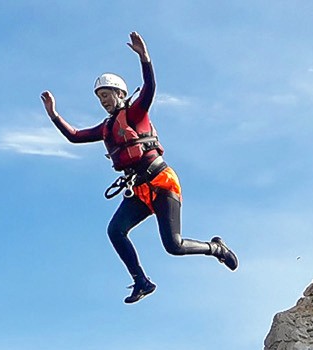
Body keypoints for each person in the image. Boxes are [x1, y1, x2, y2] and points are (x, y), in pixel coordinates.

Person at [41, 32, 237, 304]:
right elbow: (75, 136)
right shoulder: (107, 127)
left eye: (107, 95)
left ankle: (215, 248)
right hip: (140, 189)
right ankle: (141, 282)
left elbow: (150, 86)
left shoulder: (135, 113)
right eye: (100, 98)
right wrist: (54, 115)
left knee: (174, 246)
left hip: (162, 182)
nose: (104, 101)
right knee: (115, 231)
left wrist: (144, 58)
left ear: (121, 93)